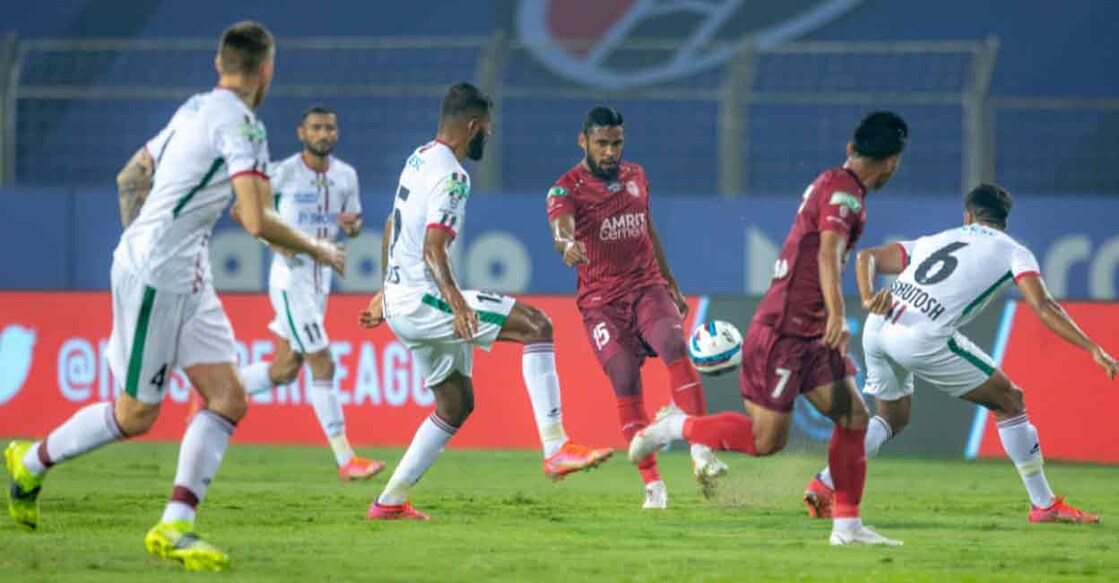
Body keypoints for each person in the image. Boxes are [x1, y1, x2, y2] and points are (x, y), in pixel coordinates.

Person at [4, 21, 345, 571]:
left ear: (219, 64)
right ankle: (32, 460)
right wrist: (319, 249)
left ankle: (175, 525)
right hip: (158, 277)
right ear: (266, 69)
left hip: (186, 274)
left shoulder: (193, 110)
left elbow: (130, 177)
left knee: (229, 397)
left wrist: (147, 240)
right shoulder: (244, 126)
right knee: (136, 414)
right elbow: (256, 219)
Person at [629, 112, 908, 546]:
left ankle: (847, 527)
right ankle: (673, 428)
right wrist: (838, 314)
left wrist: (826, 317)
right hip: (783, 332)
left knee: (854, 417)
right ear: (891, 162)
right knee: (765, 441)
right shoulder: (845, 195)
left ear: (852, 149)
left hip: (810, 332)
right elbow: (828, 251)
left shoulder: (835, 182)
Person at [359, 83, 613, 520]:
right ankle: (556, 447)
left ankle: (390, 501)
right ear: (473, 126)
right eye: (488, 129)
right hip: (423, 299)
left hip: (403, 299)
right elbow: (433, 249)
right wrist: (457, 305)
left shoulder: (418, 158)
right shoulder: (453, 176)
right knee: (537, 325)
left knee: (455, 403)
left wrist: (386, 288)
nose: (490, 137)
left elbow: (391, 226)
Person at [803, 183, 1116, 523]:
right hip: (921, 336)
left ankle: (825, 483)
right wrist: (1092, 347)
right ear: (1004, 221)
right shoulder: (1014, 251)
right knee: (1010, 400)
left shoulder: (937, 239)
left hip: (879, 325)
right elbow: (1043, 305)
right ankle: (1044, 505)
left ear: (968, 216)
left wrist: (867, 297)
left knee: (892, 418)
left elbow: (868, 257)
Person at [546, 105, 726, 509]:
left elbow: (648, 229)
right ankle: (653, 487)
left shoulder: (637, 176)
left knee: (675, 347)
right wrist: (567, 244)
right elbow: (561, 229)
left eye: (617, 143)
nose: (611, 152)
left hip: (646, 288)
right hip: (601, 304)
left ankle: (702, 452)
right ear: (583, 141)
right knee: (625, 380)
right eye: (602, 144)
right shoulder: (565, 189)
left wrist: (671, 283)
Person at [233, 105, 384, 480]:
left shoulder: (346, 175)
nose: (323, 134)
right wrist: (273, 242)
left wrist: (352, 226)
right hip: (291, 279)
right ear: (302, 133)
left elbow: (354, 224)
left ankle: (216, 390)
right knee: (324, 363)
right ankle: (346, 460)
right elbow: (241, 210)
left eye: (329, 128)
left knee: (284, 370)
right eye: (316, 128)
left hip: (321, 280)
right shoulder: (282, 172)